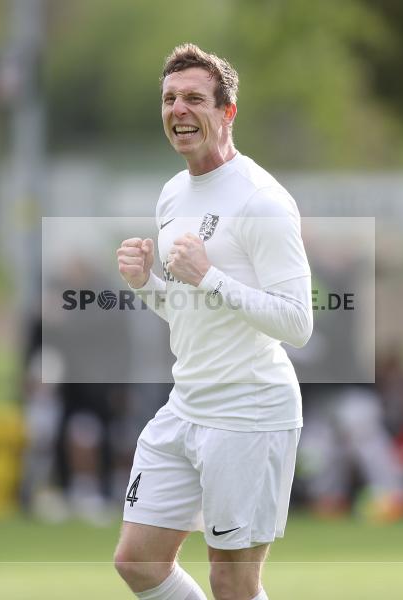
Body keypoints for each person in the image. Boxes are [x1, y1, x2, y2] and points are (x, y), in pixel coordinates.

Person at [113, 44, 312, 600]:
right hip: (187, 405)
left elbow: (298, 323)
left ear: (227, 113)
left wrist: (209, 278)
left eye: (195, 98)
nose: (179, 109)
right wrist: (147, 284)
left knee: (233, 583)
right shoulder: (173, 193)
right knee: (137, 563)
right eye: (170, 98)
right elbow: (186, 310)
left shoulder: (262, 201)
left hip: (249, 414)